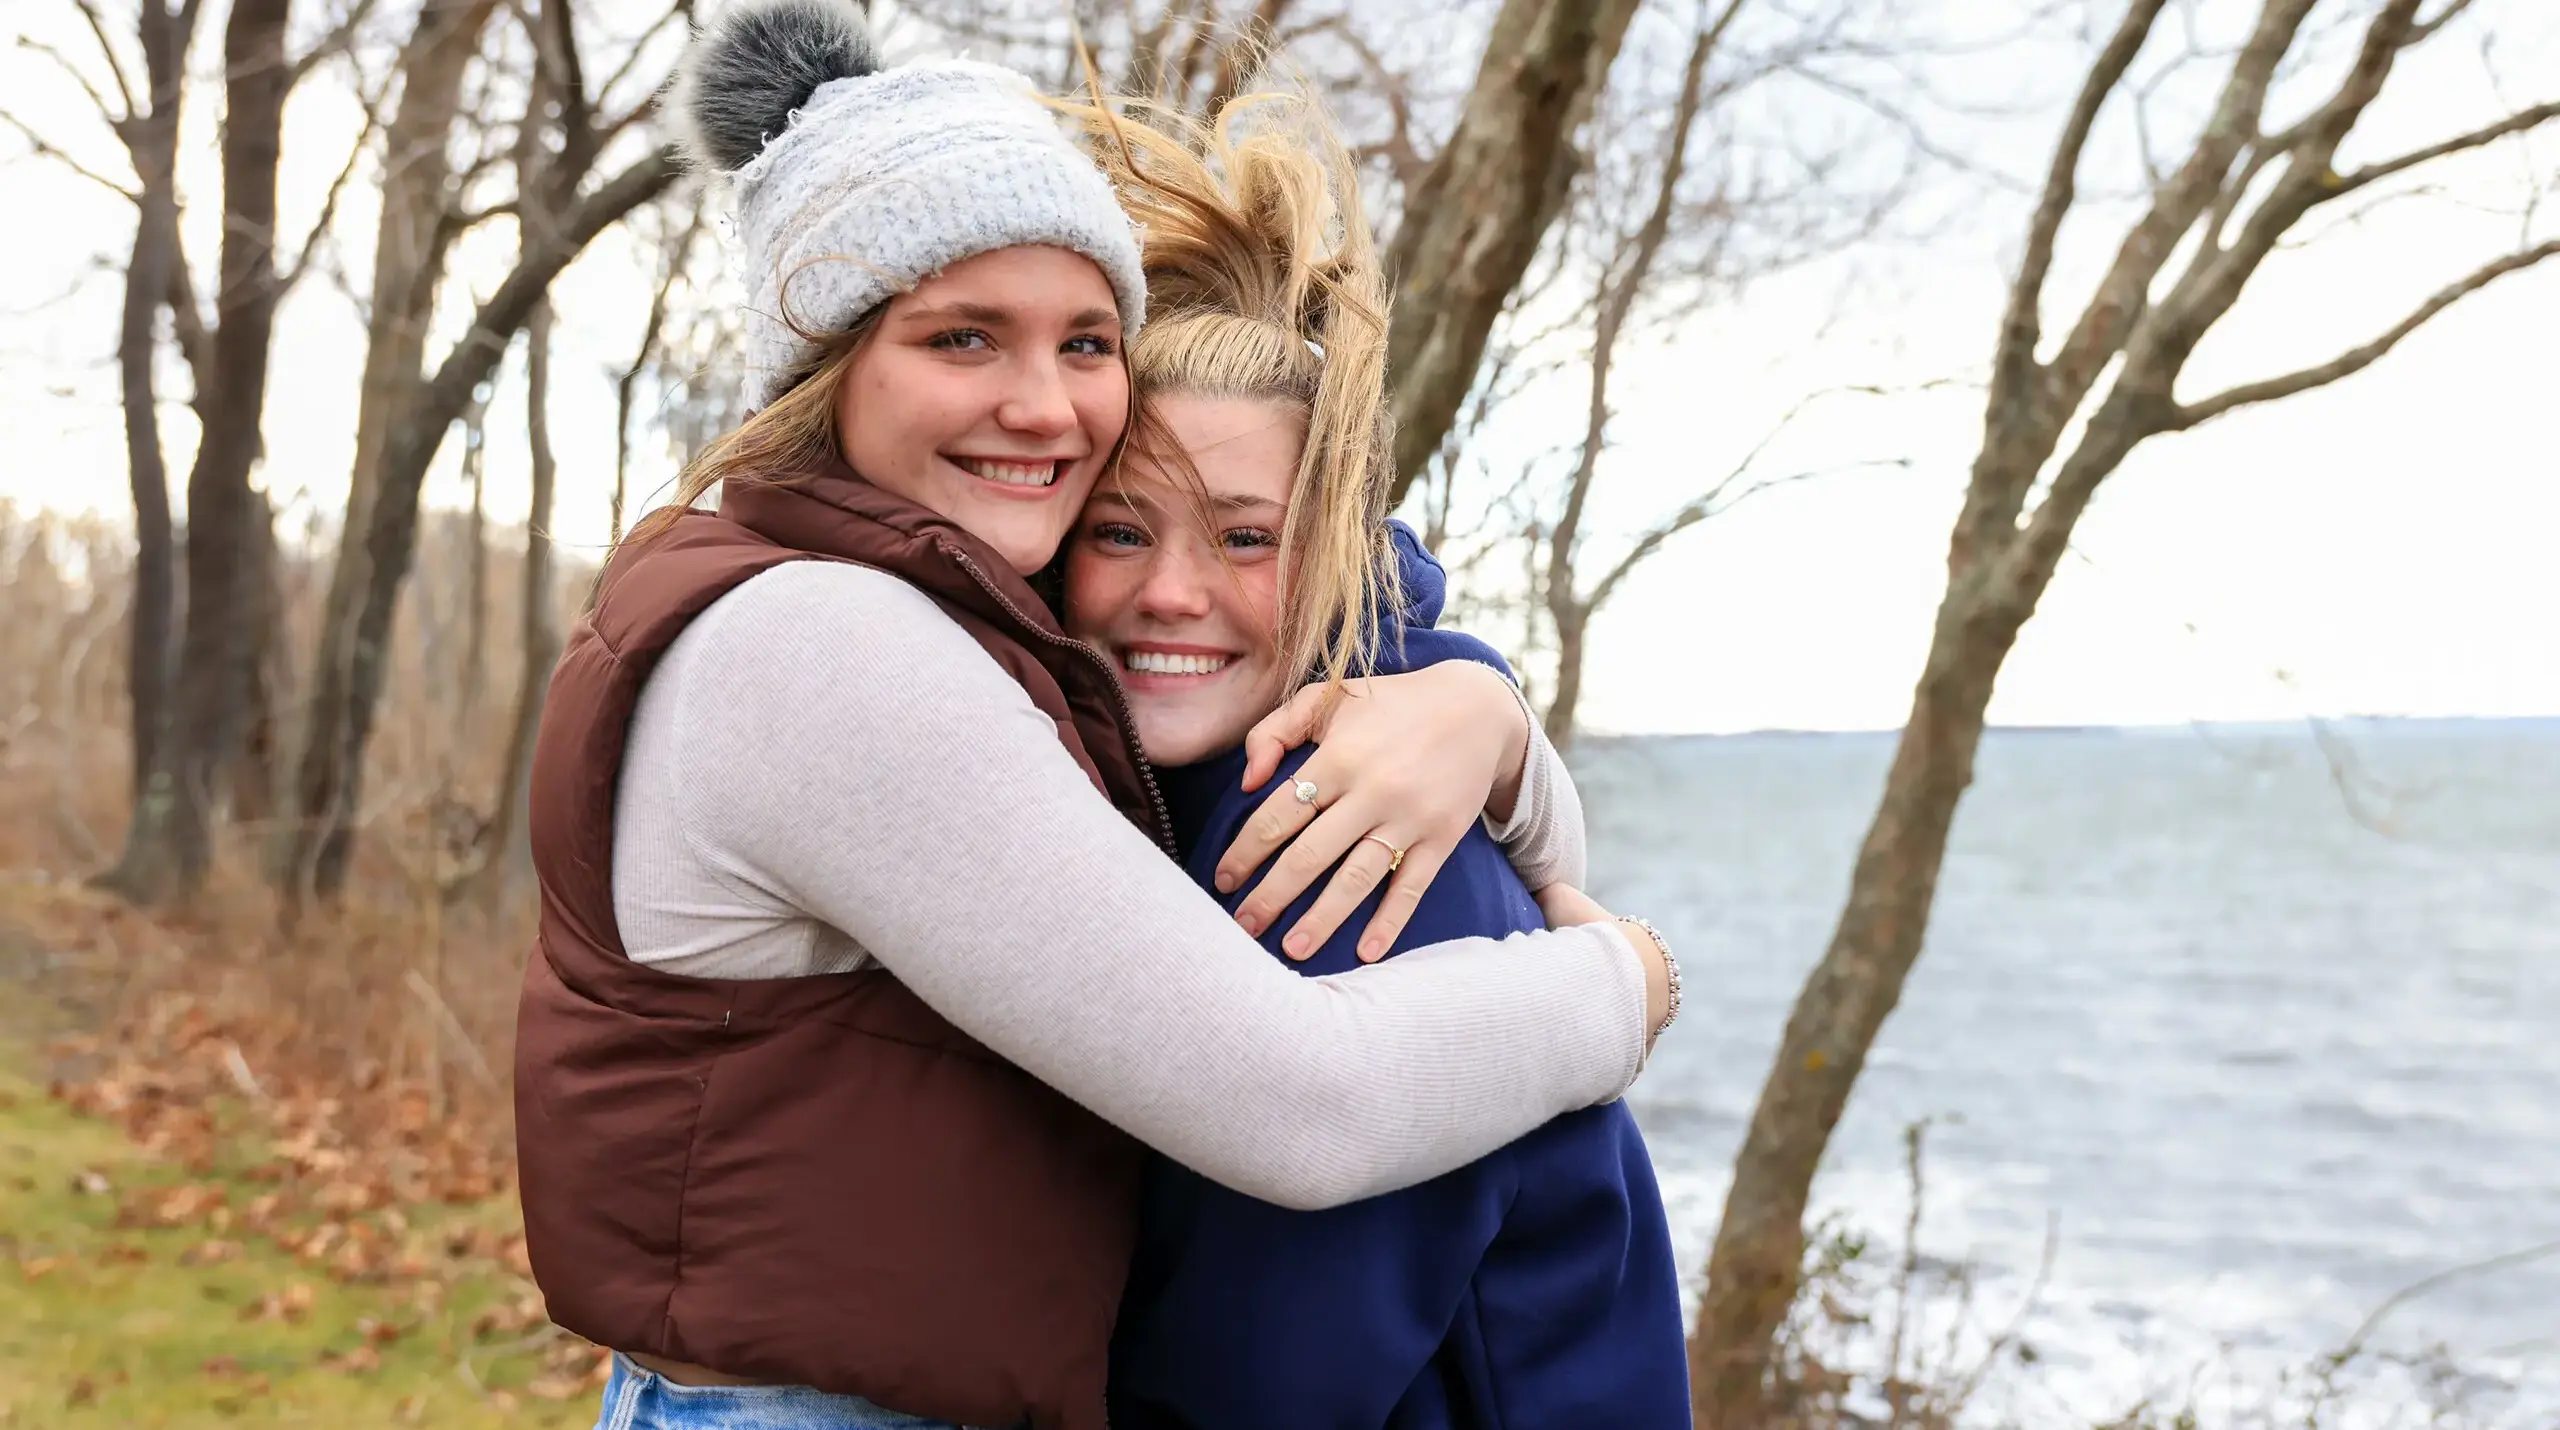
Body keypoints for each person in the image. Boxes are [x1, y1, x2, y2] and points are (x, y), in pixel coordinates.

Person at [511, 5, 1682, 1430]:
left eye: (1083, 340)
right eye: (963, 337)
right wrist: (1624, 982)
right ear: (828, 362)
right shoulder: (830, 643)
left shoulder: (918, 617)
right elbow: (1300, 1101)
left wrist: (1480, 712)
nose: (1044, 406)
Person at [1058, 88, 1691, 1428]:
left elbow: (1250, 1384)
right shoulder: (1174, 792)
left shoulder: (1340, 849)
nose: (1170, 592)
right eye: (1120, 531)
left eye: (1242, 537)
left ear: (1334, 551)